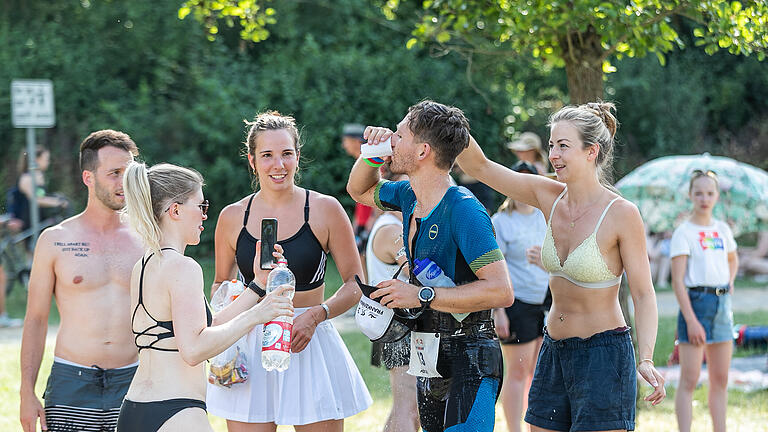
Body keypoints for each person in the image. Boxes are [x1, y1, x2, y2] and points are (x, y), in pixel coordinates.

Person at [456, 101, 665, 432]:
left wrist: (648, 358)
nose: (553, 154)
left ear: (591, 151)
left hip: (604, 356)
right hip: (553, 349)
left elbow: (643, 293)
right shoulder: (546, 195)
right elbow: (480, 167)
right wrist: (446, 121)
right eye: (551, 144)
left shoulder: (622, 213)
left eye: (563, 146)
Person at [347, 100, 514, 432]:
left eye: (398, 135)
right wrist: (373, 154)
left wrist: (420, 294)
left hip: (472, 355)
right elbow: (359, 189)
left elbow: (501, 290)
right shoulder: (409, 195)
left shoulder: (464, 209)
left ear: (422, 151)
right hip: (430, 352)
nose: (391, 139)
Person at [206, 111, 371, 431]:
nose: (278, 164)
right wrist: (245, 295)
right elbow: (219, 285)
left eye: (286, 154)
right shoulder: (232, 217)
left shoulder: (325, 209)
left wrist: (317, 315)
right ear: (252, 161)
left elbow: (356, 283)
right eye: (267, 155)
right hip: (251, 343)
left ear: (297, 156)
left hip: (306, 339)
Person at [116, 161, 293, 432]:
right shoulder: (184, 267)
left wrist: (258, 284)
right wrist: (260, 314)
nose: (204, 216)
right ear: (175, 210)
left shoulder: (145, 265)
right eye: (201, 206)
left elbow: (204, 327)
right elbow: (194, 350)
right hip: (176, 412)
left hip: (134, 408)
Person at [19, 130, 143, 432]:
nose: (123, 182)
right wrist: (26, 391)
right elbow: (36, 319)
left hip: (135, 381)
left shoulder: (146, 238)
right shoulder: (55, 240)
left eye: (128, 174)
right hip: (70, 383)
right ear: (88, 177)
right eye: (114, 173)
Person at [670, 169, 738, 432]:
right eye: (698, 193)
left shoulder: (722, 229)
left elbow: (733, 259)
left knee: (720, 379)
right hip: (695, 304)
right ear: (690, 195)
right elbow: (677, 281)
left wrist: (730, 280)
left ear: (717, 196)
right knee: (690, 379)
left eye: (709, 193)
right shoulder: (684, 232)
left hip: (723, 306)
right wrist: (691, 321)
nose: (704, 198)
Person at [490, 160, 550, 432]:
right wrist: (498, 310)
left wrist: (545, 262)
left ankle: (534, 427)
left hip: (546, 301)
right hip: (516, 304)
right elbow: (491, 269)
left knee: (538, 374)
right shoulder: (501, 222)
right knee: (517, 372)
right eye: (519, 180)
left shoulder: (545, 216)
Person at [365, 170, 420, 432]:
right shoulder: (391, 230)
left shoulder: (395, 226)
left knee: (408, 409)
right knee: (409, 409)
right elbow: (417, 273)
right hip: (399, 329)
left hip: (398, 326)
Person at [15, 147, 69, 230]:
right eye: (46, 159)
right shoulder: (27, 178)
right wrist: (57, 202)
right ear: (37, 159)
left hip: (41, 220)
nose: (48, 162)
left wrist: (56, 197)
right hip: (31, 223)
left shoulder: (39, 176)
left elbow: (41, 195)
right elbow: (37, 200)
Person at [342, 123, 376, 257]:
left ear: (356, 141)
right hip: (363, 223)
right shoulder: (360, 161)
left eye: (345, 141)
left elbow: (378, 192)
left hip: (371, 223)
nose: (343, 145)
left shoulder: (372, 161)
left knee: (365, 260)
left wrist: (372, 221)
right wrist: (356, 224)